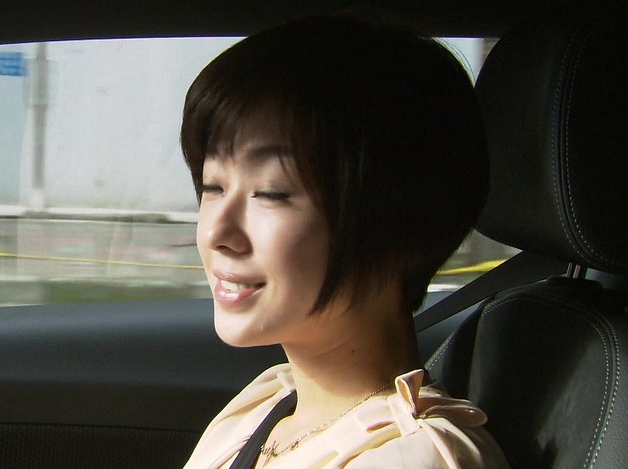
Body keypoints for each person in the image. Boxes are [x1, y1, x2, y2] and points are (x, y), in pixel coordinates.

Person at [179, 13, 509, 469]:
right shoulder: (270, 402)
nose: (217, 233)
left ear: (398, 222)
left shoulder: (410, 458)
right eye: (213, 186)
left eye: (272, 193)